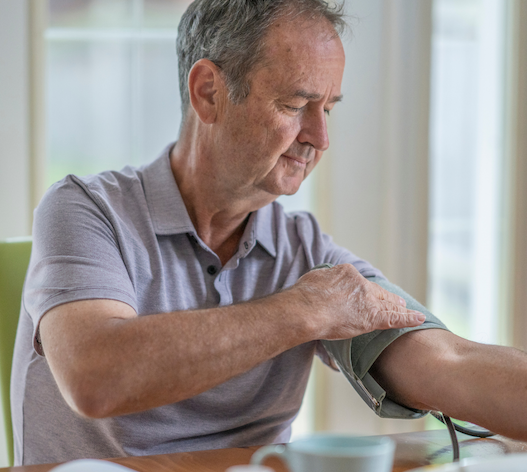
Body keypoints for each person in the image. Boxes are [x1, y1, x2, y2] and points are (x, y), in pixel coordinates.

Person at [10, 0, 527, 466]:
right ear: (208, 92)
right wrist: (303, 311)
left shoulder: (307, 254)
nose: (320, 138)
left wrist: (318, 302)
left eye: (328, 108)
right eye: (294, 105)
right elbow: (96, 376)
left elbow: (450, 362)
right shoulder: (85, 210)